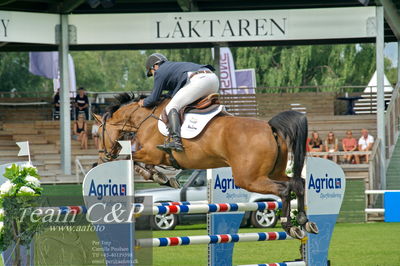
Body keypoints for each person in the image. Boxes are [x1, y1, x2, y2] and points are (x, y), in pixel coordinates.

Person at [138, 53, 219, 152]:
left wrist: (144, 102)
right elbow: (173, 93)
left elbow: (154, 98)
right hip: (213, 79)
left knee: (172, 107)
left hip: (199, 80)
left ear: (155, 66)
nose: (153, 75)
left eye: (151, 72)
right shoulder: (173, 68)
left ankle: (176, 141)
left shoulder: (160, 72)